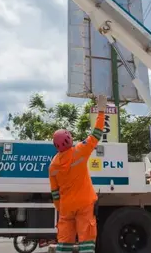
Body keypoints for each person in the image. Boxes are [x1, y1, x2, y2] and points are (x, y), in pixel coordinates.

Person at [49, 95, 107, 253]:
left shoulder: (53, 165)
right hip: (84, 204)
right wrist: (101, 111)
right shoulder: (80, 151)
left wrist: (62, 209)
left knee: (64, 244)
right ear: (70, 138)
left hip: (66, 207)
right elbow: (96, 134)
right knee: (86, 242)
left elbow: (54, 193)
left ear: (56, 145)